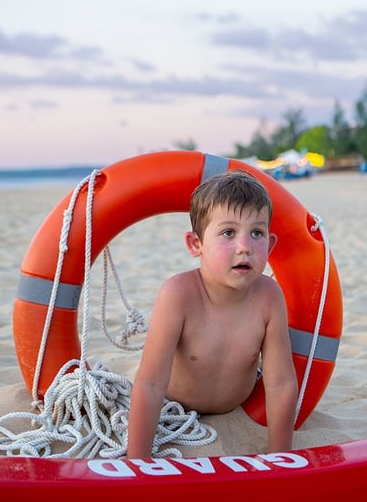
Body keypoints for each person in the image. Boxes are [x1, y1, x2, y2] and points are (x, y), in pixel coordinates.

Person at [126, 169, 298, 458]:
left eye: (256, 233)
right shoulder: (178, 295)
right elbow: (151, 382)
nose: (245, 247)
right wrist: (137, 461)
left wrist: (281, 456)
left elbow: (280, 382)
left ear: (270, 245)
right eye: (228, 233)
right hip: (176, 409)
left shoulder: (269, 297)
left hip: (235, 409)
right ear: (196, 245)